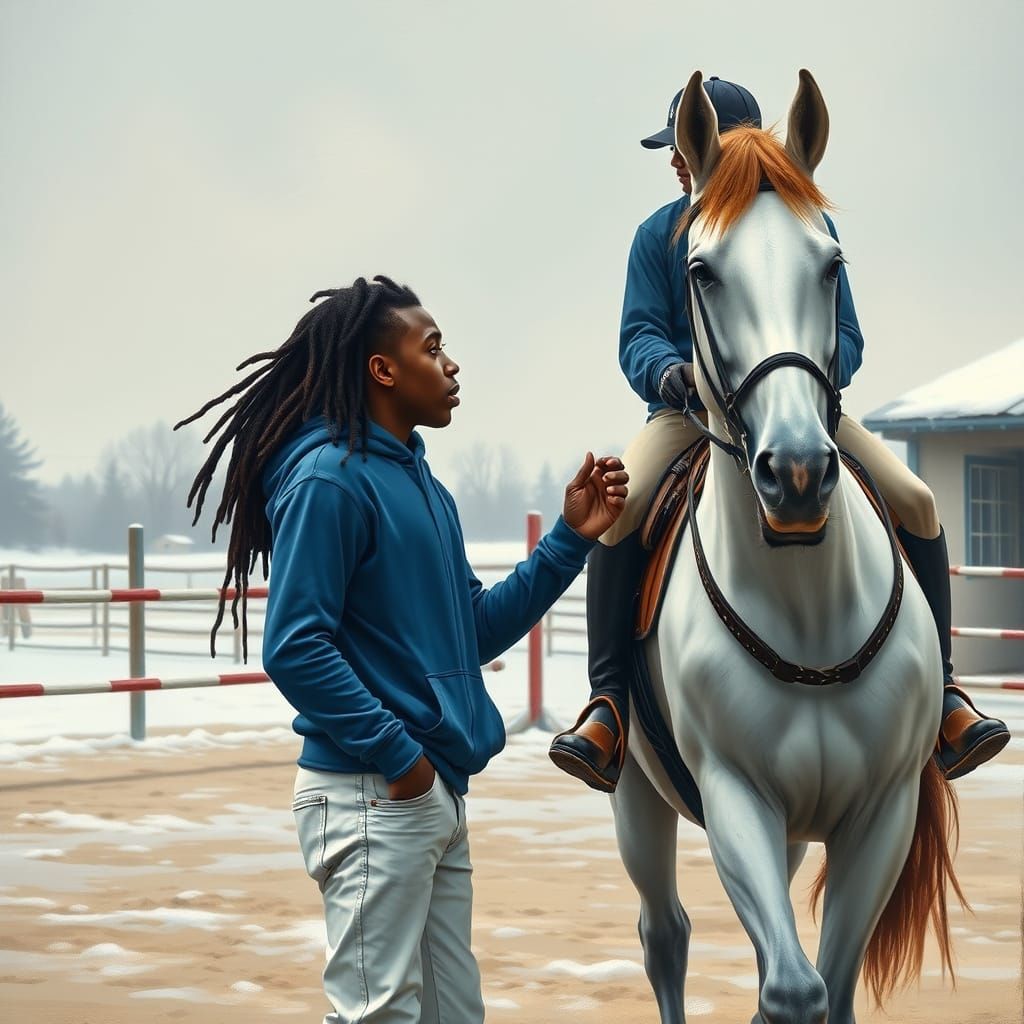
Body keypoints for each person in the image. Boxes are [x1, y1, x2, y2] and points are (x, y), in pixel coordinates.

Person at [175, 276, 629, 1023]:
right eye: (434, 348)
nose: (452, 366)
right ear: (382, 370)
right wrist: (400, 759)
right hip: (371, 792)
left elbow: (472, 628)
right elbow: (294, 646)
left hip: (431, 794)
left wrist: (570, 538)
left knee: (454, 1015)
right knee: (376, 1015)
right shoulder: (330, 479)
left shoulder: (422, 484)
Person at [548, 77, 1009, 793]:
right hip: (686, 416)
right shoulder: (656, 235)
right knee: (622, 515)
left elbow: (847, 334)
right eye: (673, 148)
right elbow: (637, 332)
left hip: (798, 407)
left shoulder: (809, 226)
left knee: (916, 499)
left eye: (685, 144)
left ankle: (946, 694)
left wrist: (814, 376)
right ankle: (608, 704)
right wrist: (669, 373)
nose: (676, 159)